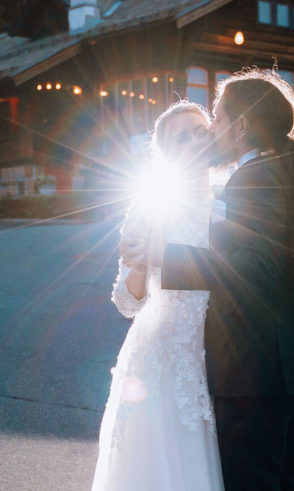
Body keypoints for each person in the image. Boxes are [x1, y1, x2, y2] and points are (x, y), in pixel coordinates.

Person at [145, 69, 294, 490]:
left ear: (240, 127)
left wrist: (170, 259)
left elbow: (259, 269)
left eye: (217, 119)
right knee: (289, 479)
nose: (212, 130)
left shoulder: (252, 178)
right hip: (291, 358)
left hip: (254, 367)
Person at [92, 100, 224, 490]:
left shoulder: (231, 202)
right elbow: (126, 302)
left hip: (225, 348)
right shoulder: (151, 205)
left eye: (201, 132)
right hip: (163, 355)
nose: (195, 141)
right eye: (183, 136)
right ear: (165, 153)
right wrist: (137, 265)